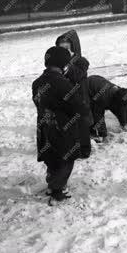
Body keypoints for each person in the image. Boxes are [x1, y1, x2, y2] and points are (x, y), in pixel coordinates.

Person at [32, 46, 89, 204]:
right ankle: (57, 192)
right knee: (65, 161)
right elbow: (79, 107)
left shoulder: (36, 83)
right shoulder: (62, 83)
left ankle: (52, 185)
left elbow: (38, 103)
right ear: (63, 64)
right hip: (62, 129)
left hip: (44, 128)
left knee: (51, 158)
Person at [55, 30, 92, 157]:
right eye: (61, 43)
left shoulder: (82, 61)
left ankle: (84, 150)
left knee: (81, 125)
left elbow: (77, 75)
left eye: (66, 42)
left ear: (73, 45)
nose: (64, 45)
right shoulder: (58, 61)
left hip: (79, 98)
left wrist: (67, 64)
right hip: (64, 99)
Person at [87, 75, 127, 140]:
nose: (126, 109)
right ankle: (92, 134)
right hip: (87, 89)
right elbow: (98, 116)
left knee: (117, 105)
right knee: (91, 113)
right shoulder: (103, 99)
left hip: (98, 81)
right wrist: (104, 135)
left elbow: (122, 108)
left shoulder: (122, 93)